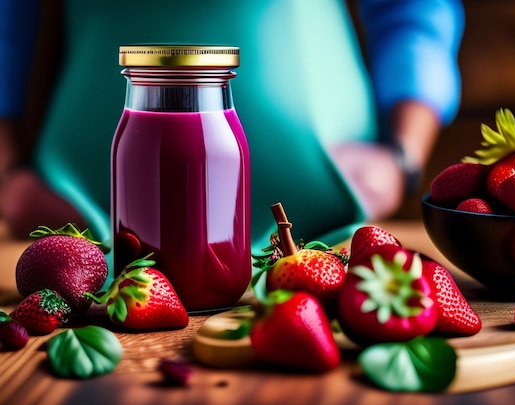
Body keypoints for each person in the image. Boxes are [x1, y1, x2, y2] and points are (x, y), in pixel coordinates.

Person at [0, 0, 464, 254]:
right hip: (80, 205)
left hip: (329, 196)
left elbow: (415, 12)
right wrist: (8, 177)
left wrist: (400, 158)